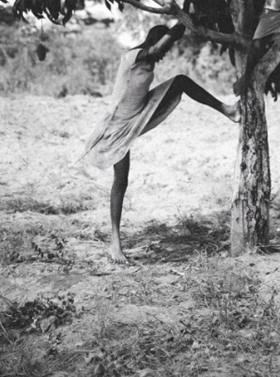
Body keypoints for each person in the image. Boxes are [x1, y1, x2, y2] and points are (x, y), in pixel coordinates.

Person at [83, 23, 240, 262]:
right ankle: (114, 242)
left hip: (138, 113)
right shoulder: (133, 56)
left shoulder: (148, 59)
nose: (165, 55)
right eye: (165, 48)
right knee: (121, 180)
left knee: (180, 82)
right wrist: (182, 22)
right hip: (116, 126)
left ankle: (227, 109)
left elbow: (156, 56)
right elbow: (156, 50)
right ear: (154, 41)